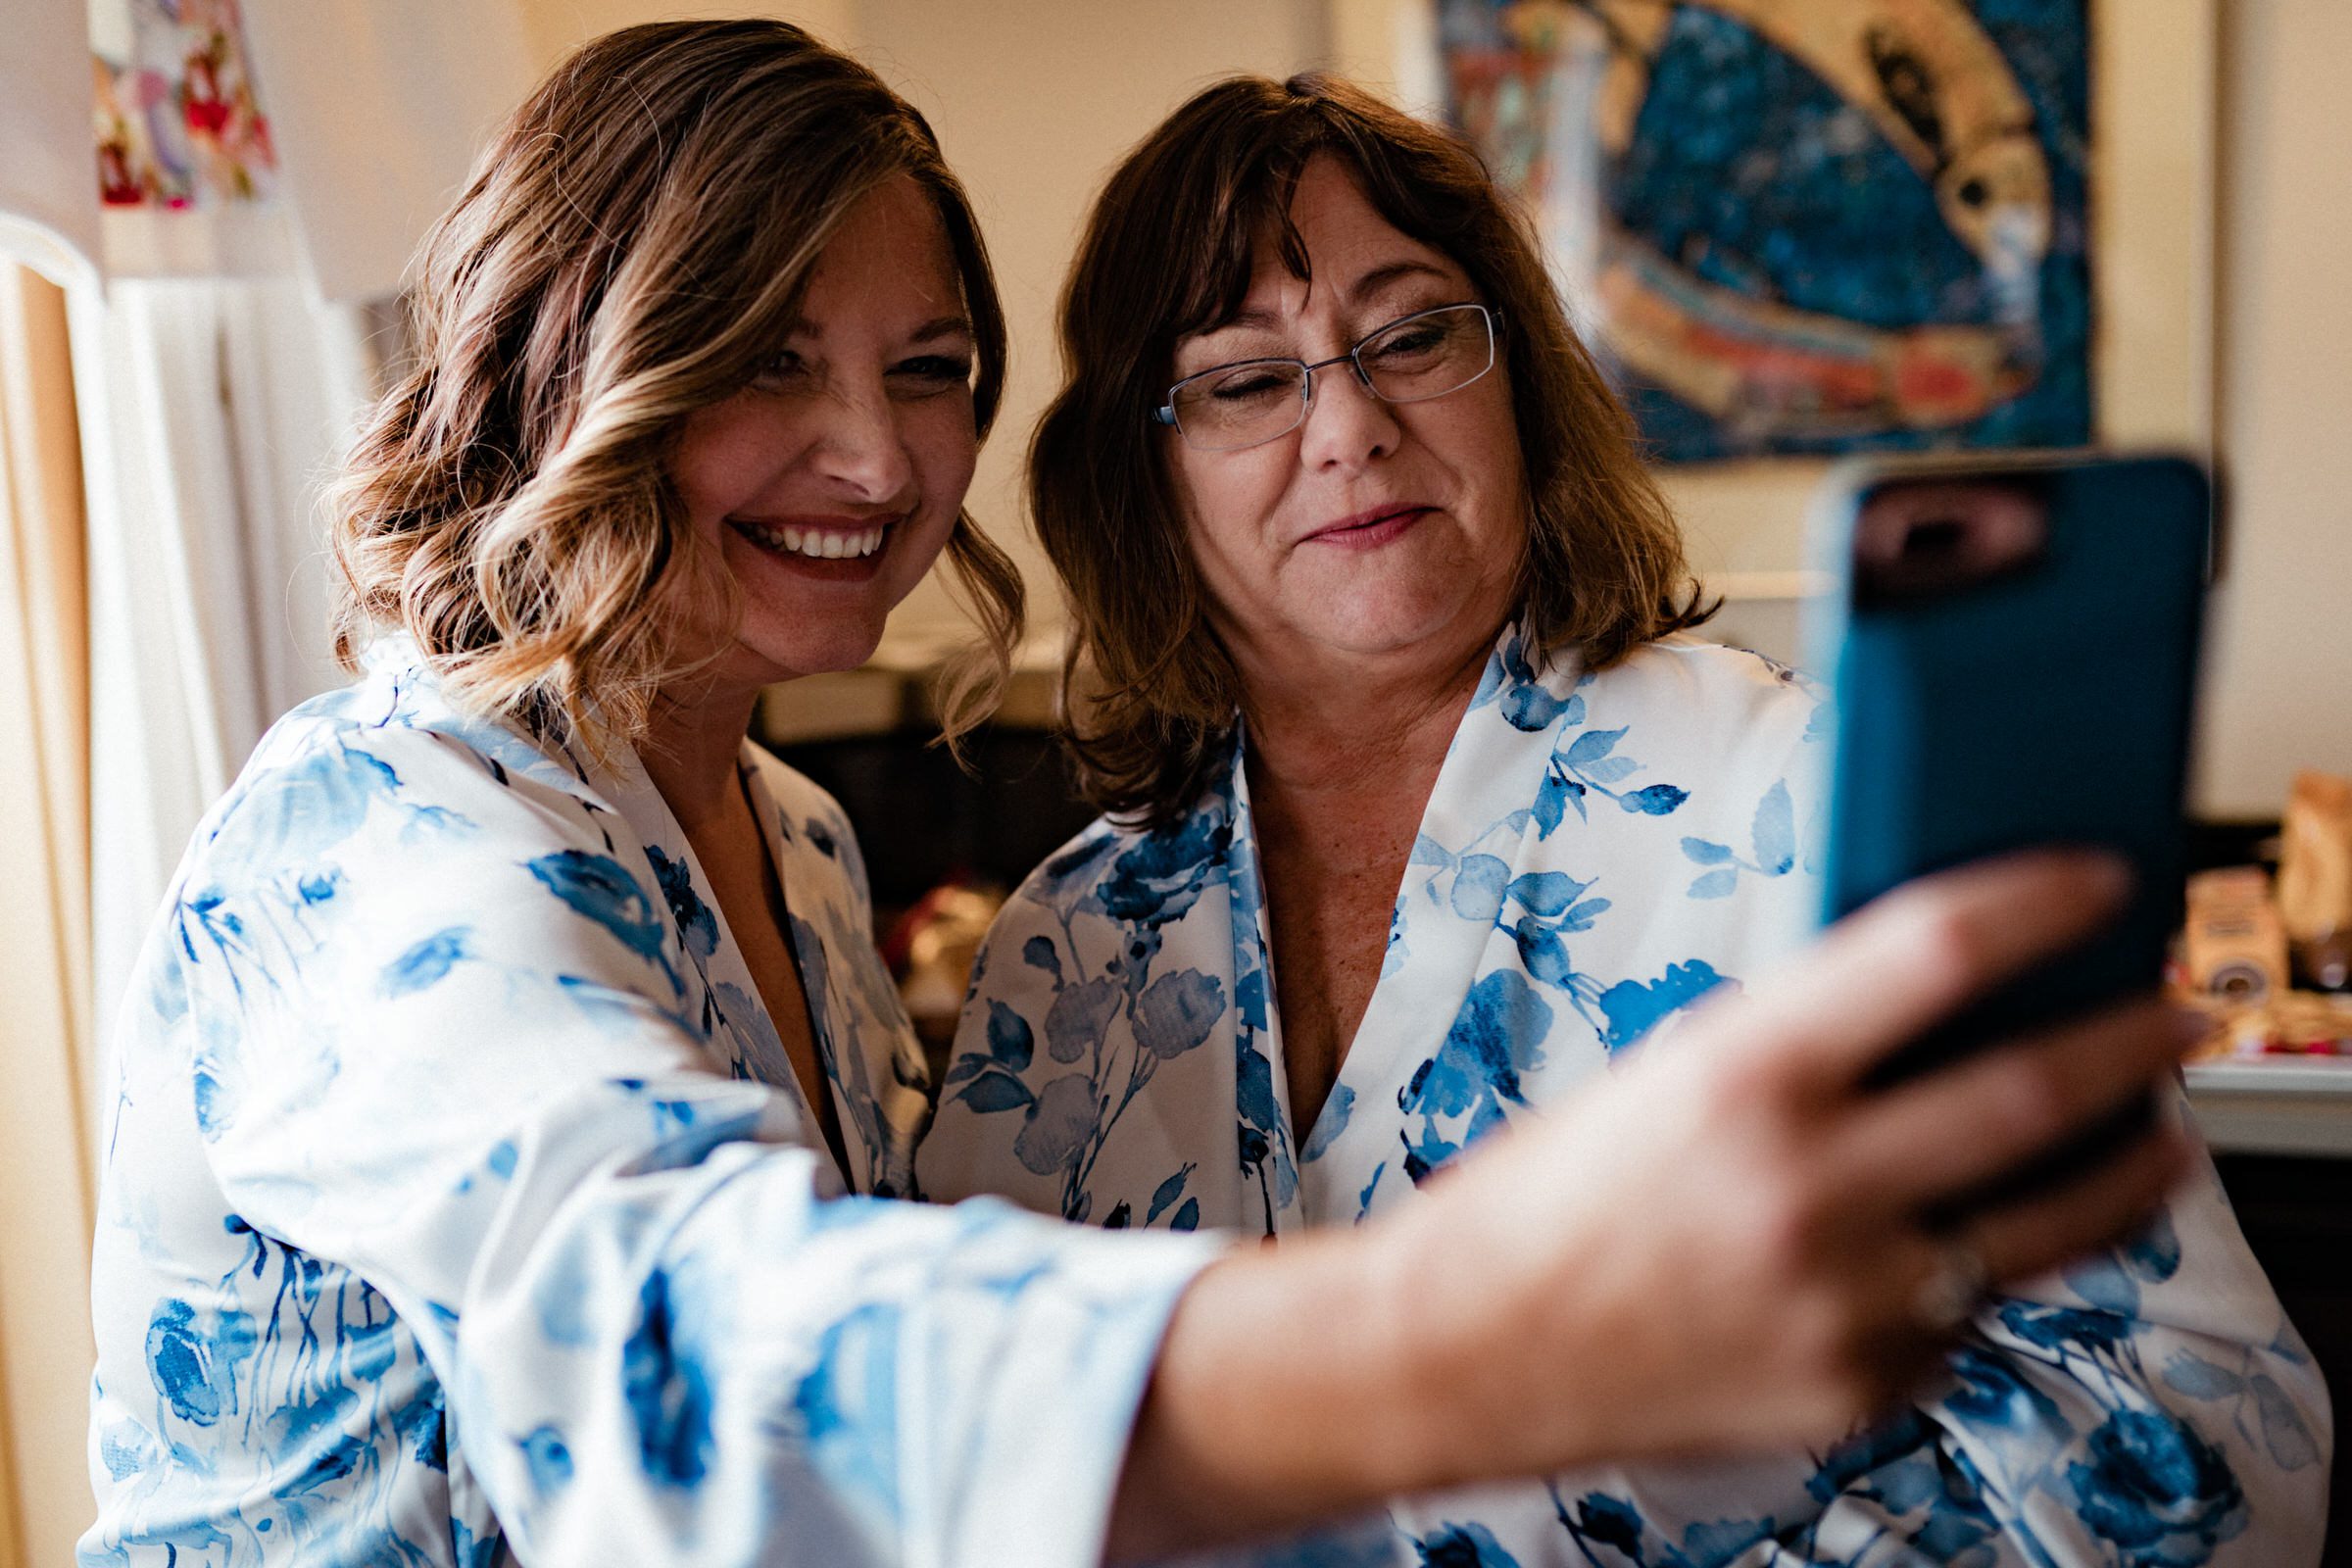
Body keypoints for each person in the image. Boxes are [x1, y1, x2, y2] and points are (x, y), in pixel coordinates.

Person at [79, 24, 2221, 1566]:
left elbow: (2187, 1427)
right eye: (761, 357)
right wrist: (1494, 1335)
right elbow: (698, 1362)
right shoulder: (380, 840)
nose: (874, 459)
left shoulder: (809, 860)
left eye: (928, 370)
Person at [918, 74, 2330, 1565]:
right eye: (1246, 381)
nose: (1349, 424)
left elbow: (2194, 1435)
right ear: (1145, 479)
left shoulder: (1808, 797)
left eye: (1411, 337)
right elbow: (957, 1471)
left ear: (1518, 383)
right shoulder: (1068, 952)